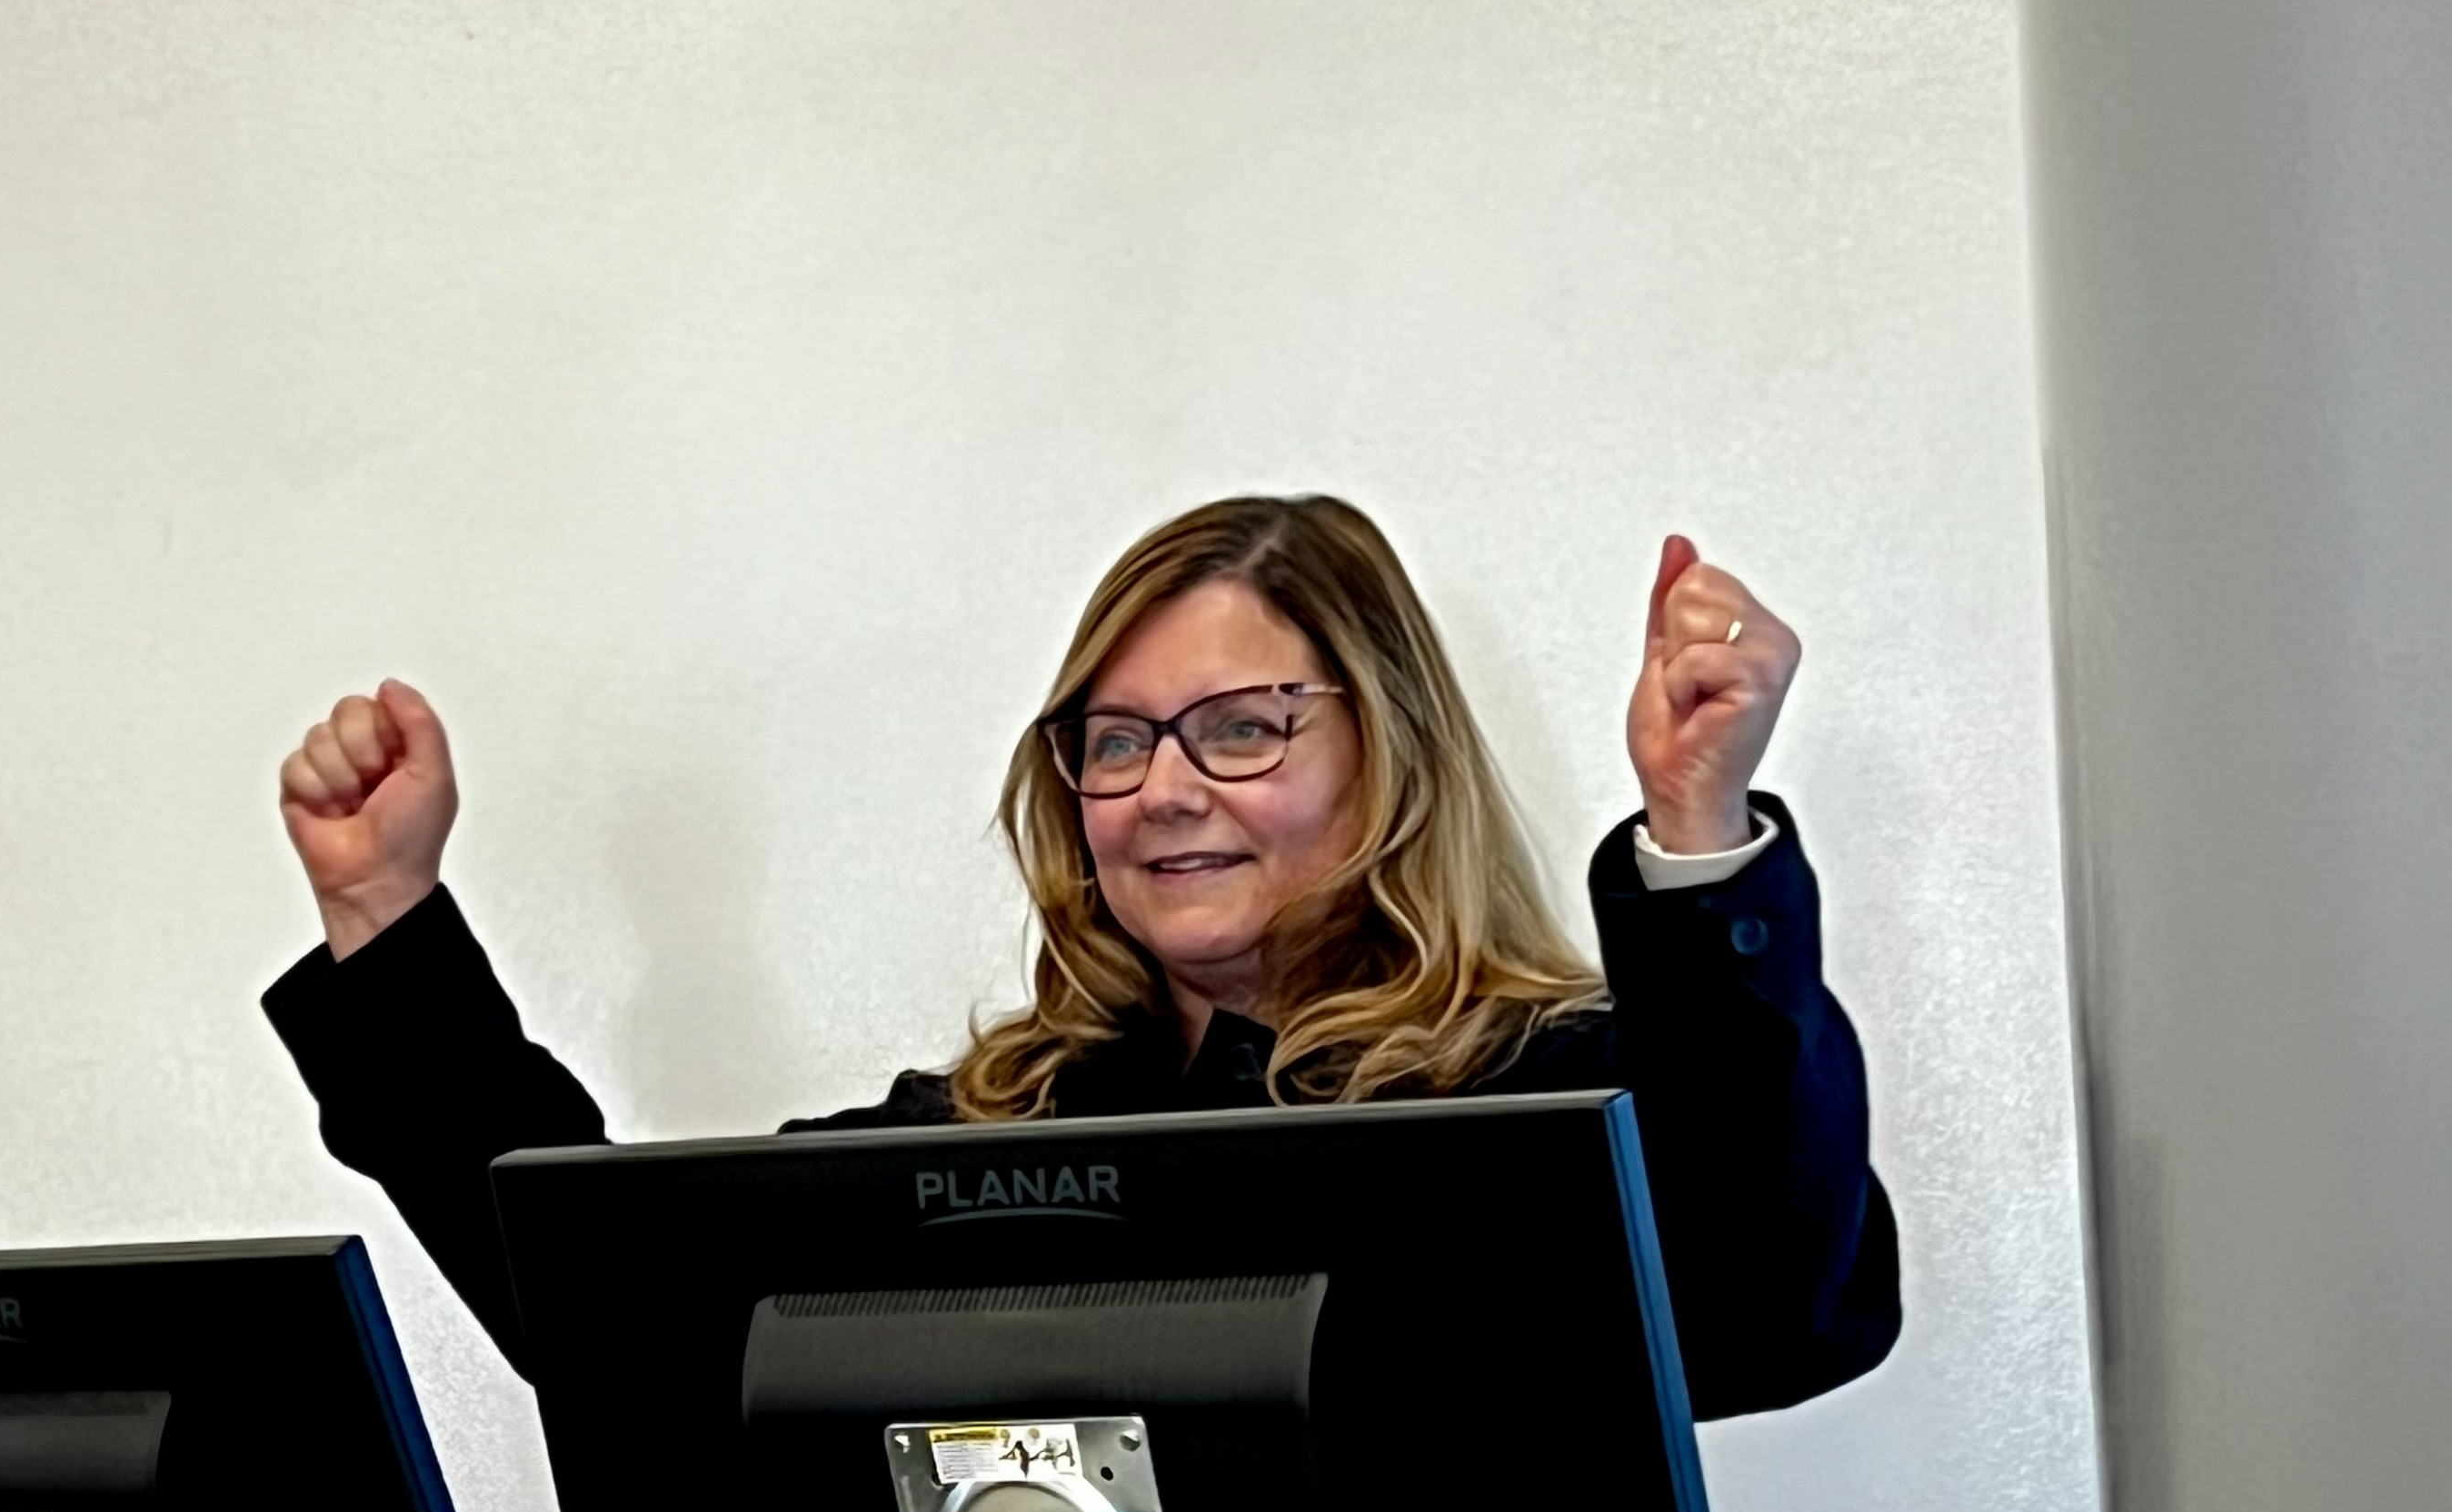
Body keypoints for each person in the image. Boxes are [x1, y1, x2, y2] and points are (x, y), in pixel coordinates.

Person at [264, 492, 1898, 1414]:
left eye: (1243, 729)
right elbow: (623, 1324)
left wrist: (1698, 834)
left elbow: (1772, 1309)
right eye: (1114, 743)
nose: (1164, 789)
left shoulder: (1548, 1099)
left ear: (1389, 754)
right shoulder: (1005, 1138)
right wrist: (390, 933)